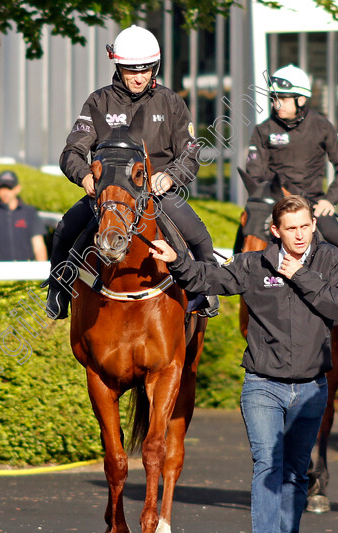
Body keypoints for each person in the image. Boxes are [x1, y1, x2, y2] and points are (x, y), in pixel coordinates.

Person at [150, 195, 338, 533]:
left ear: (313, 225)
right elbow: (208, 279)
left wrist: (299, 274)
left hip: (311, 388)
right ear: (275, 231)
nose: (299, 234)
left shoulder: (330, 260)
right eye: (290, 228)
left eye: (305, 226)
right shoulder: (252, 264)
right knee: (268, 463)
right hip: (262, 384)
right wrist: (176, 260)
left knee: (296, 472)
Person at [42, 24, 217, 320]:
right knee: (64, 230)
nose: (139, 77)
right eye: (131, 70)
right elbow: (71, 152)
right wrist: (85, 175)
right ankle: (57, 292)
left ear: (155, 68)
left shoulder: (171, 102)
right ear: (118, 67)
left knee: (199, 237)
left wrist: (171, 176)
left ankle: (208, 291)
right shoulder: (98, 102)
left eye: (145, 70)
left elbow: (190, 153)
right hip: (110, 194)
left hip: (155, 194)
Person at [246, 64, 338, 270]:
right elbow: (255, 173)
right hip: (275, 202)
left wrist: (329, 200)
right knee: (246, 234)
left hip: (313, 203)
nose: (277, 104)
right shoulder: (263, 130)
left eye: (283, 99)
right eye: (274, 98)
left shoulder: (322, 126)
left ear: (301, 99)